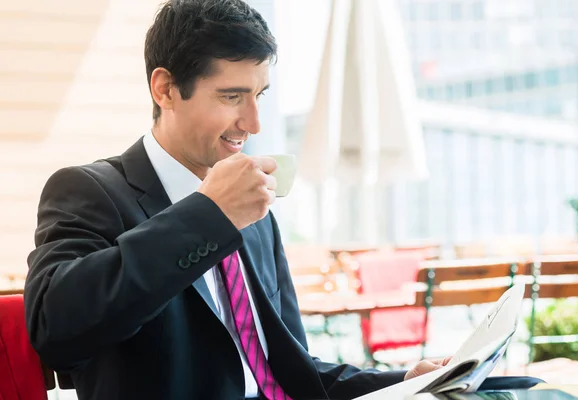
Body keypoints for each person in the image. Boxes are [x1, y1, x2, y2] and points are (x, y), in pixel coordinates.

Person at [24, 1, 542, 399]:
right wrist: (207, 215)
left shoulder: (253, 213)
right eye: (231, 97)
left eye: (260, 95)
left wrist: (402, 381)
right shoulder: (90, 190)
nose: (253, 125)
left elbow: (288, 371)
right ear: (164, 89)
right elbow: (57, 329)